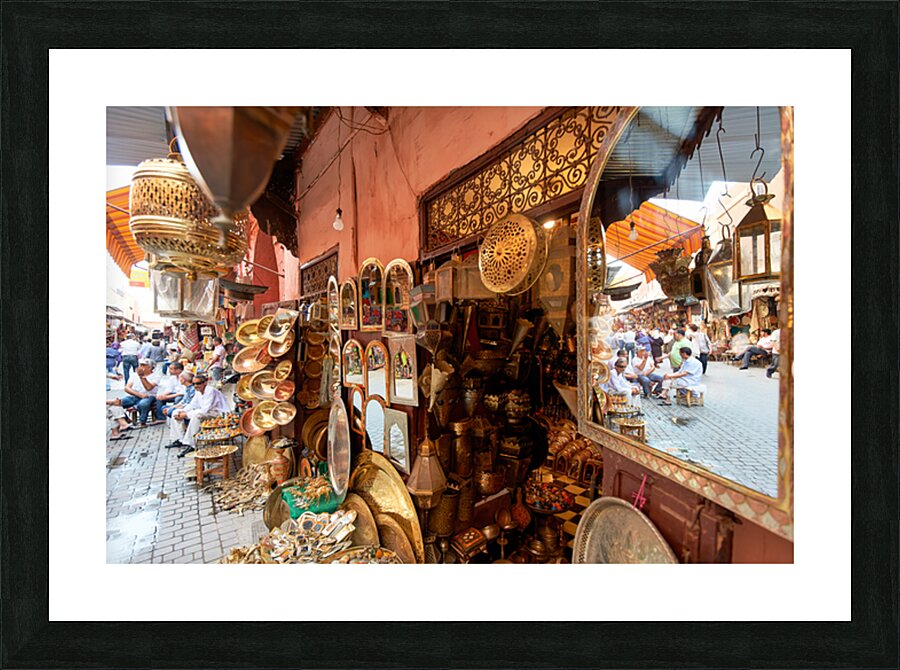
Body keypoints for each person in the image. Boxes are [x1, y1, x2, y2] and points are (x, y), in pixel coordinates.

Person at [170, 374, 229, 456]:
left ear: (205, 383)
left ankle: (191, 444)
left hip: (218, 413)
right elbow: (192, 404)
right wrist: (182, 412)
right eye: (194, 384)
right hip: (207, 412)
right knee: (175, 412)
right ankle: (179, 439)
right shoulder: (198, 392)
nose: (196, 386)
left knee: (197, 415)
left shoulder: (210, 391)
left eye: (198, 383)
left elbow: (205, 409)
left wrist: (186, 414)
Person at [117, 359, 162, 427]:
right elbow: (127, 388)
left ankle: (142, 422)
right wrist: (139, 394)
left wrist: (142, 377)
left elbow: (149, 387)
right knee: (118, 403)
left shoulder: (156, 376)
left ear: (150, 367)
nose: (140, 367)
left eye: (143, 365)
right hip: (135, 396)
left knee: (143, 404)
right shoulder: (134, 375)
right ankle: (126, 419)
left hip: (149, 396)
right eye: (140, 365)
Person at [163, 370, 197, 449]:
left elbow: (190, 403)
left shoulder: (192, 389)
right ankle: (178, 438)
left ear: (183, 379)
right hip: (187, 407)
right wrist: (173, 407)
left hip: (192, 408)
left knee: (175, 413)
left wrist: (181, 409)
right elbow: (183, 401)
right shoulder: (187, 388)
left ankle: (181, 439)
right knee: (173, 411)